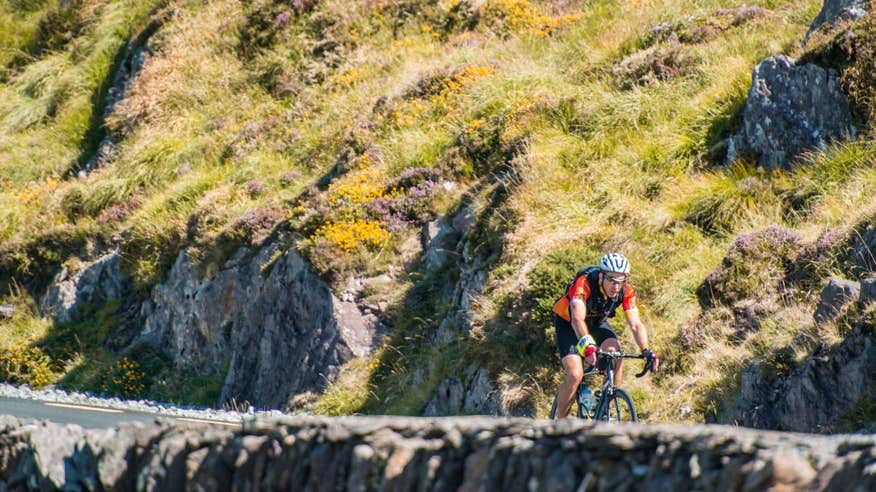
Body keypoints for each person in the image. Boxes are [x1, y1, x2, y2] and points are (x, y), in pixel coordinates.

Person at [551, 252, 659, 419]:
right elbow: (577, 319)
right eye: (612, 280)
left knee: (616, 354)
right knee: (575, 375)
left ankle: (604, 409)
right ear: (601, 276)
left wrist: (646, 350)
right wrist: (588, 345)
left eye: (620, 281)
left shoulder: (626, 290)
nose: (616, 286)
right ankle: (559, 424)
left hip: (596, 323)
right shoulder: (584, 284)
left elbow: (636, 324)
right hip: (569, 324)